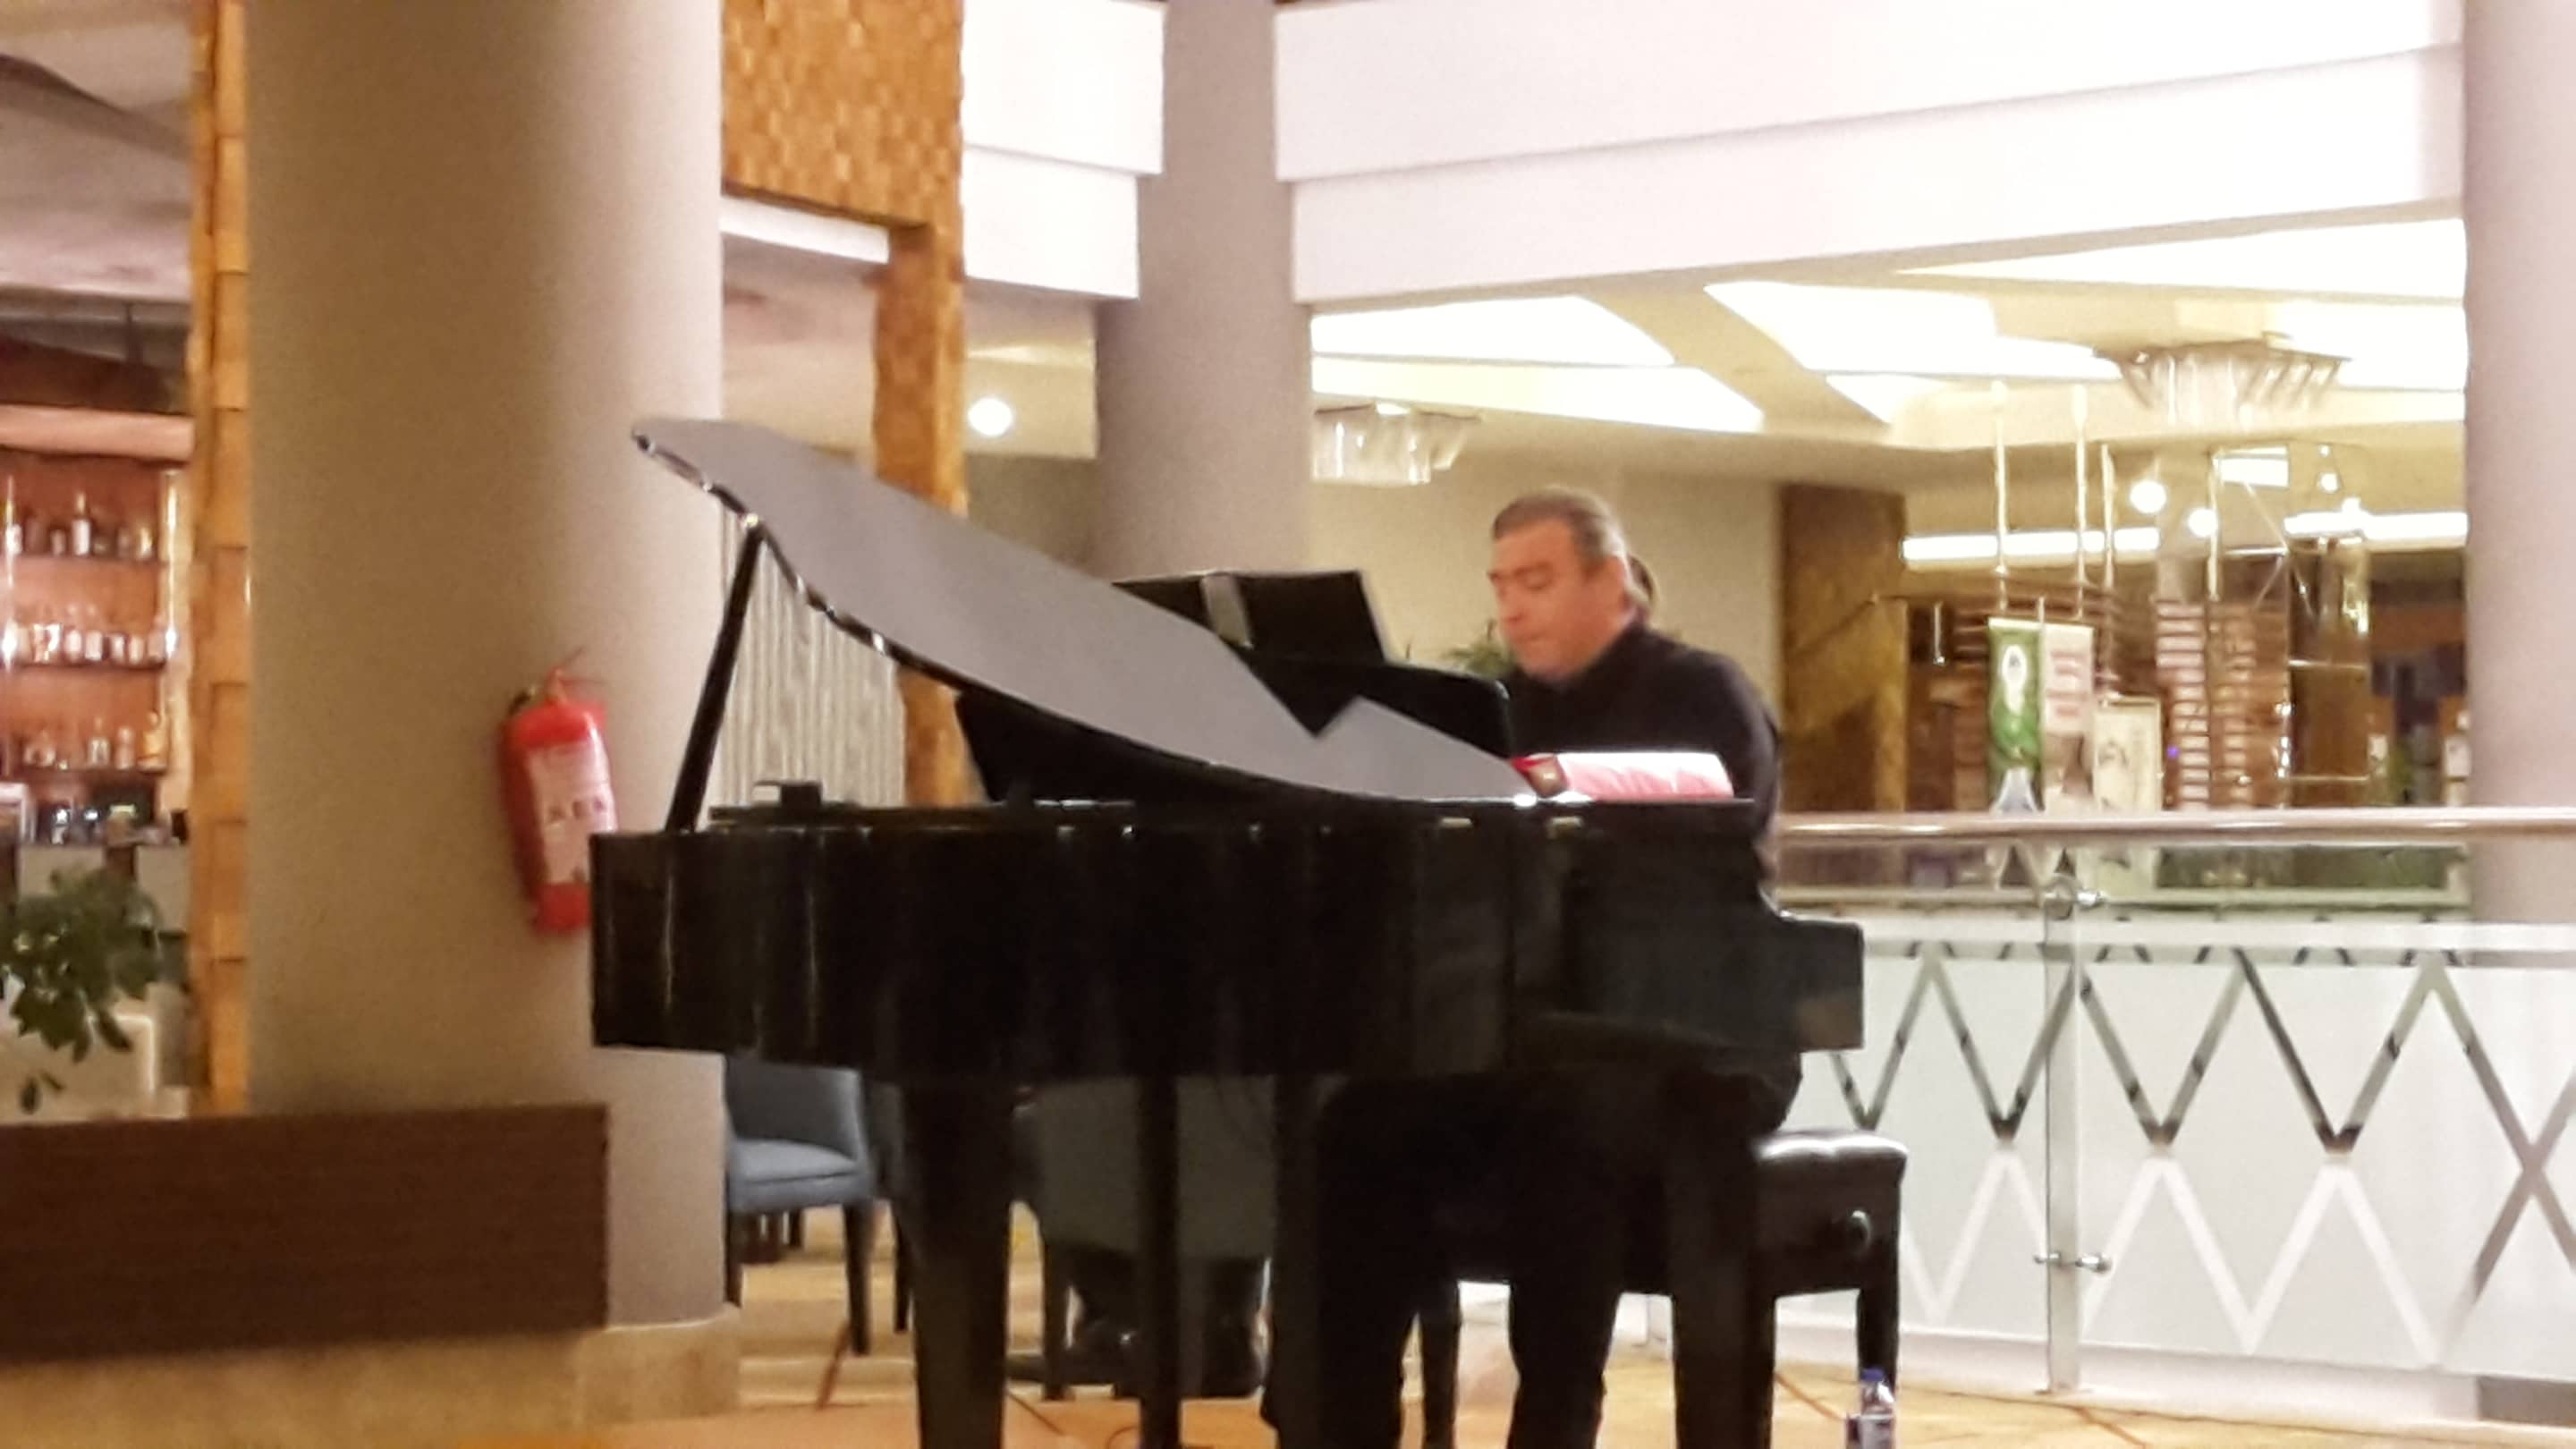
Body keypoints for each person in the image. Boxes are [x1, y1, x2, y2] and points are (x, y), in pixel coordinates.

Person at [1309, 487, 1788, 1449]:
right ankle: (1338, 1427)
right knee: (1359, 1123)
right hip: (1540, 1034)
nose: (1512, 609)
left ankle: (1556, 1426)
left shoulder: (1702, 690)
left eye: (1537, 581)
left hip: (1702, 1040)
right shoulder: (1499, 711)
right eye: (1501, 587)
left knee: (1572, 1122)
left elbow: (1713, 857)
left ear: (1612, 584)